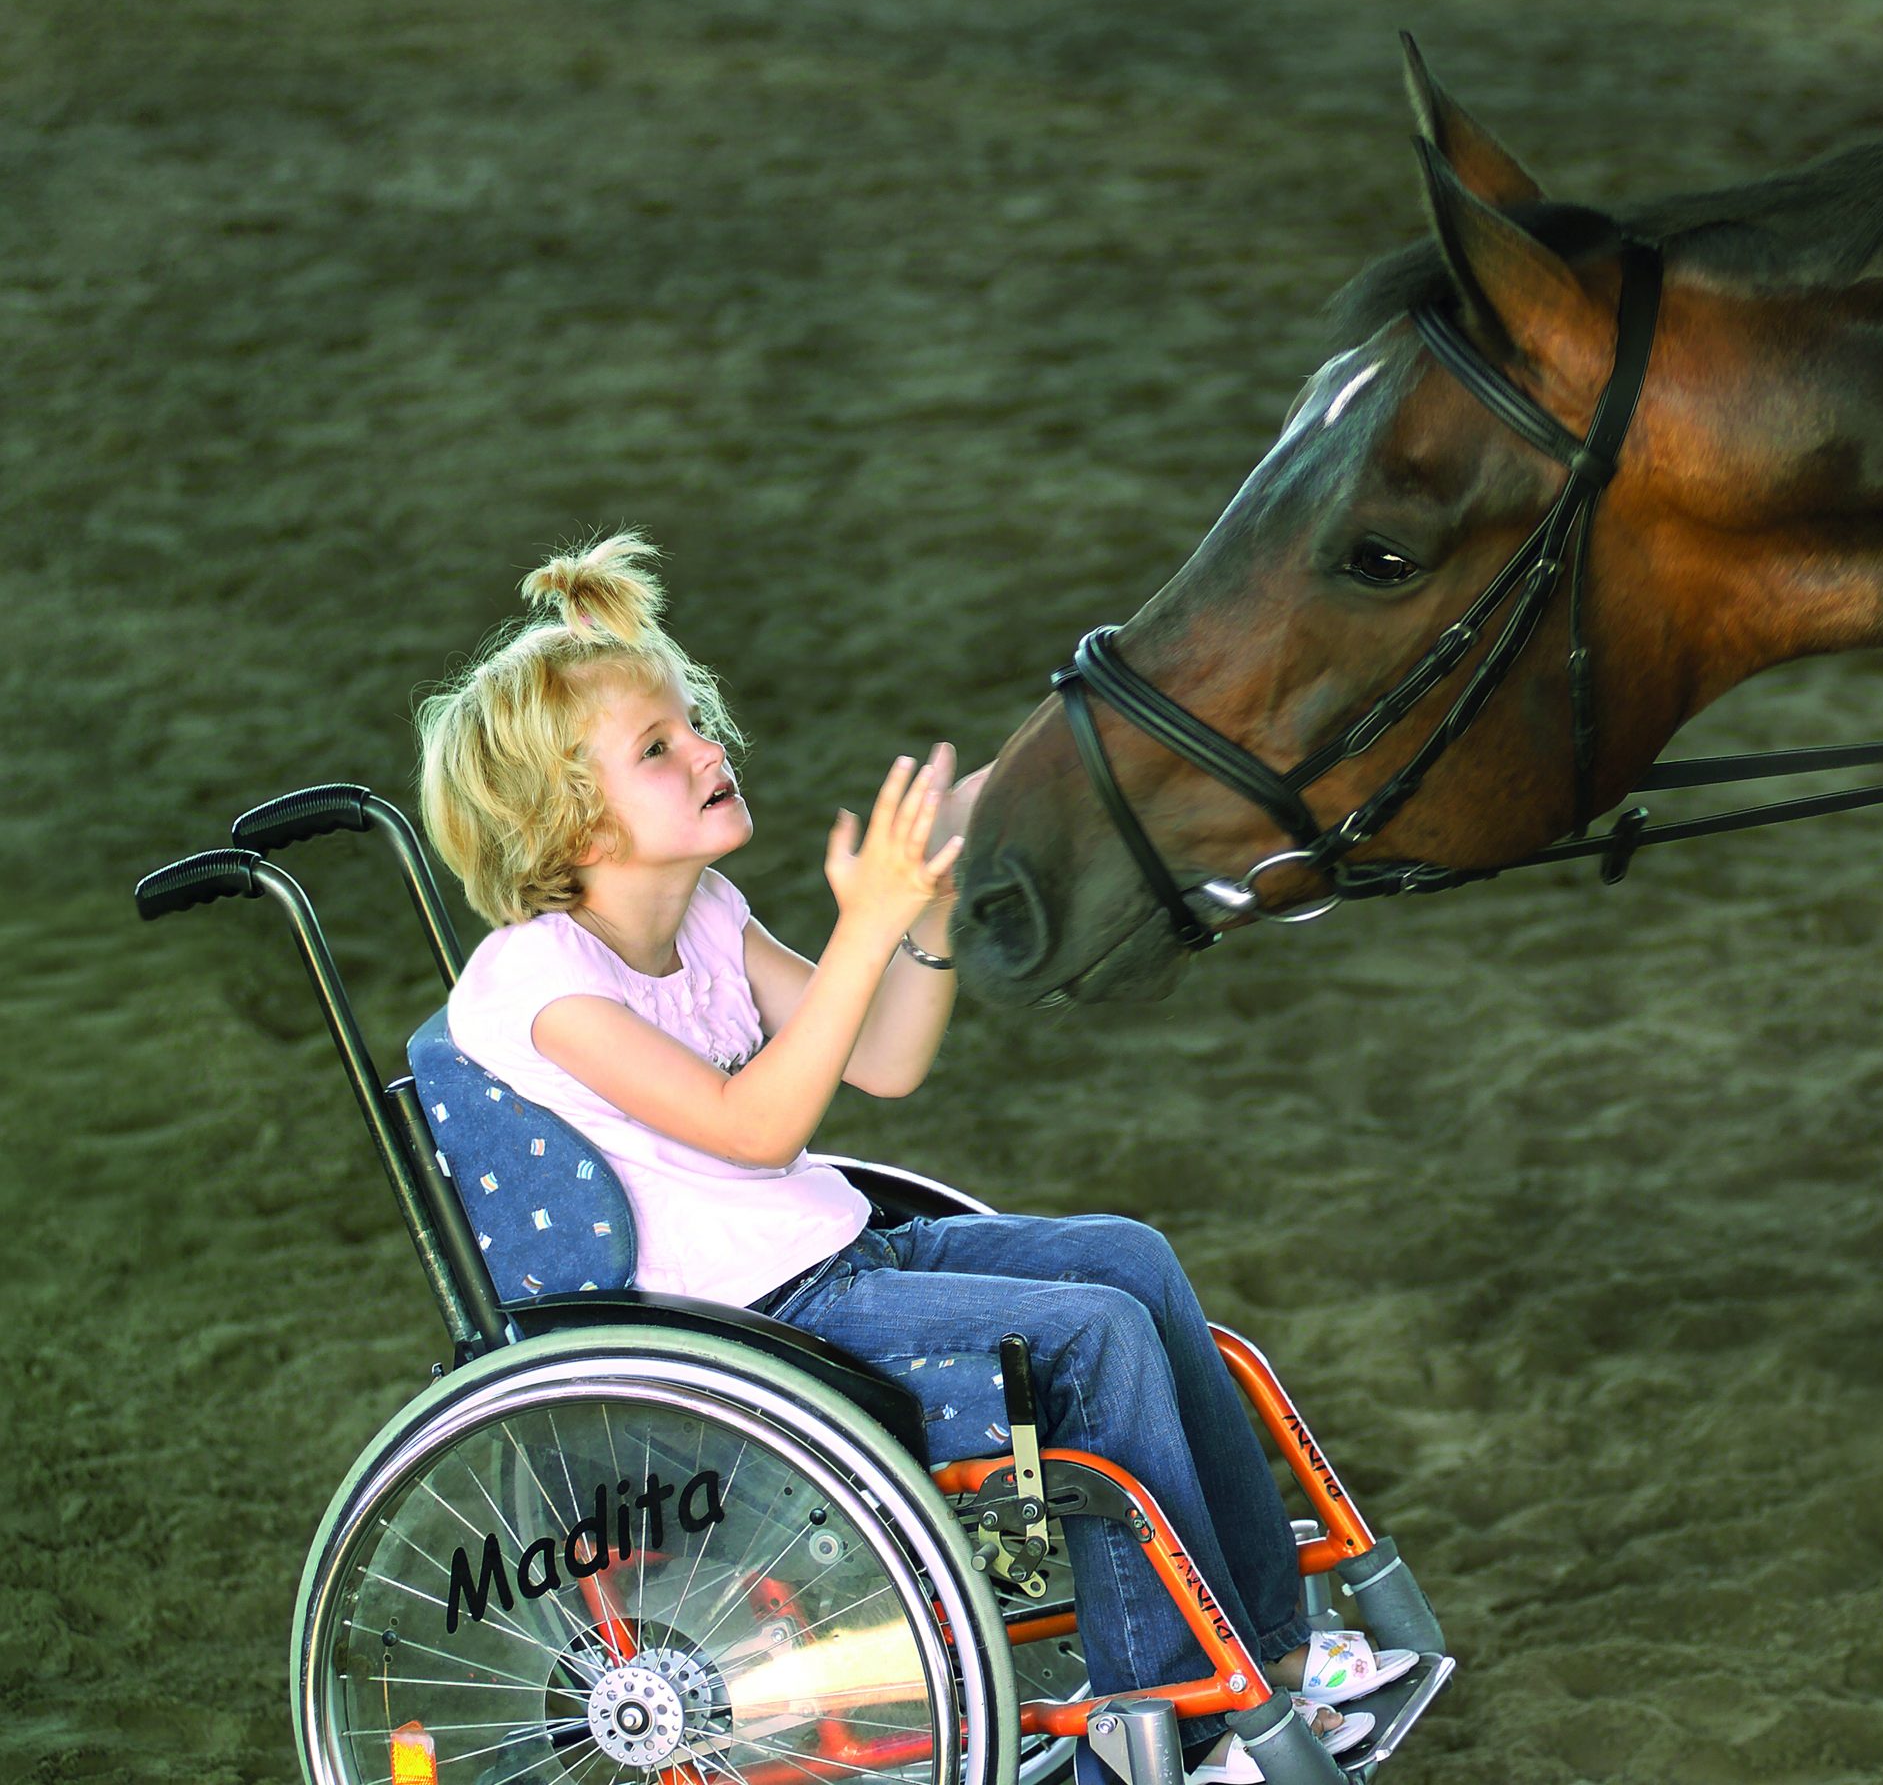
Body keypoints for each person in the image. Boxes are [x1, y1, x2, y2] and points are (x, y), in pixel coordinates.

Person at [414, 532, 1411, 1785]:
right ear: (564, 817)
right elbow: (755, 1126)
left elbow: (880, 1057)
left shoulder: (707, 915)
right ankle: (1169, 1725)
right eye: (657, 748)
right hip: (749, 1332)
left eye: (694, 724)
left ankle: (1268, 1654)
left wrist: (922, 910)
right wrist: (864, 920)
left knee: (1131, 1259)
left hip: (835, 1262)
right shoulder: (538, 980)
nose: (709, 751)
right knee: (1095, 1337)